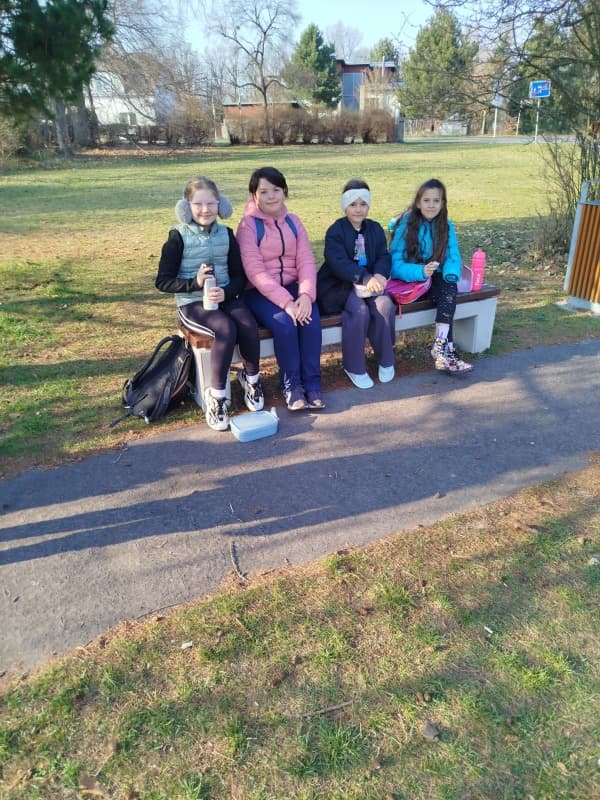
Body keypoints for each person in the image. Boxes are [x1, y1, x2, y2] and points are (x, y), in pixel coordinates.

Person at [155, 176, 264, 431]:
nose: (205, 210)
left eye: (211, 204)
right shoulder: (177, 237)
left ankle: (252, 380)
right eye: (198, 204)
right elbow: (163, 281)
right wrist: (194, 282)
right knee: (225, 328)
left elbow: (239, 277)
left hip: (224, 297)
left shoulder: (226, 234)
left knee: (248, 325)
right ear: (186, 207)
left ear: (220, 205)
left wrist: (226, 292)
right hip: (192, 303)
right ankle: (217, 396)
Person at [237, 166, 324, 411]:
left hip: (295, 287)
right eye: (264, 191)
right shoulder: (248, 226)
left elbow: (306, 261)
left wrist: (305, 295)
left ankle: (313, 384)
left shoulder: (294, 221)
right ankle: (292, 386)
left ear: (284, 191)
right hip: (260, 292)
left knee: (310, 320)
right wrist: (286, 303)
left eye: (276, 190)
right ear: (254, 195)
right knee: (286, 324)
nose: (271, 196)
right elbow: (255, 271)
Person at [317, 178, 396, 389]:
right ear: (345, 206)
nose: (358, 209)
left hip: (371, 284)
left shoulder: (375, 229)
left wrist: (380, 274)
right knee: (359, 311)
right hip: (340, 285)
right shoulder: (336, 231)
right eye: (353, 204)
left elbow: (383, 255)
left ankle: (386, 357)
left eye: (363, 204)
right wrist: (364, 277)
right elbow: (337, 262)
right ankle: (354, 365)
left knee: (384, 305)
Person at [389, 178, 473, 374]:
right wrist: (420, 271)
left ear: (443, 203)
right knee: (447, 295)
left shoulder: (446, 226)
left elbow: (453, 256)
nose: (431, 205)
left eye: (436, 201)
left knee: (448, 288)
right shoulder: (405, 225)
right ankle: (447, 352)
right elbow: (394, 263)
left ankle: (440, 347)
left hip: (435, 280)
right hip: (411, 283)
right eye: (426, 200)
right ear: (418, 203)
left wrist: (450, 275)